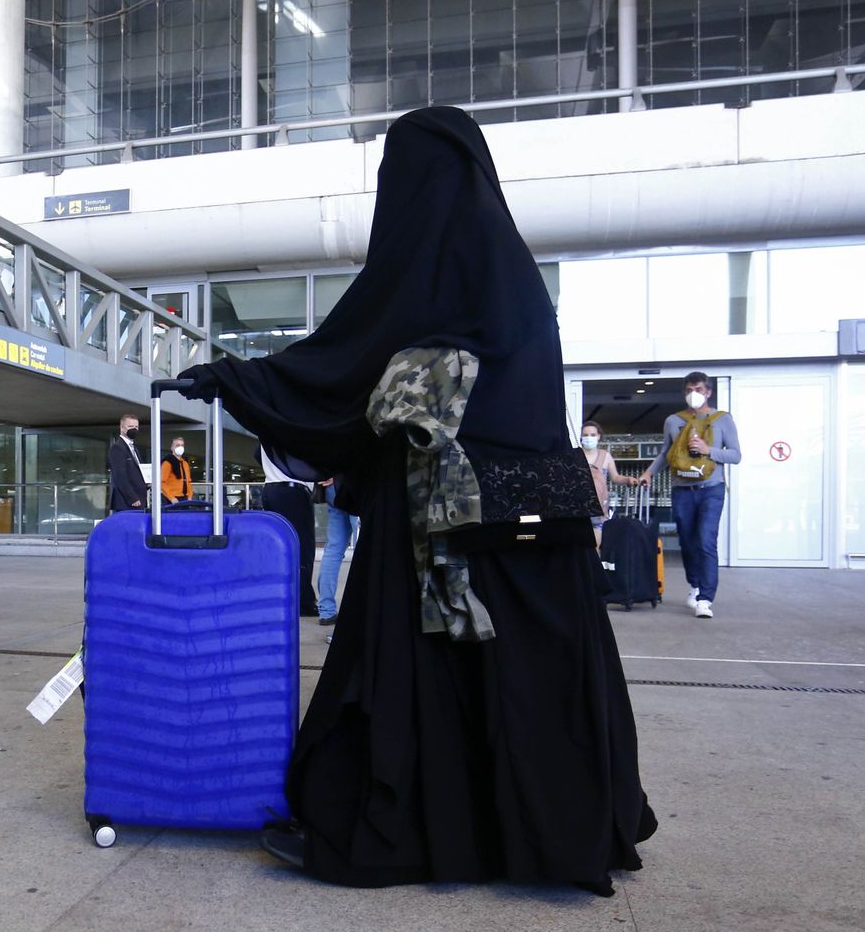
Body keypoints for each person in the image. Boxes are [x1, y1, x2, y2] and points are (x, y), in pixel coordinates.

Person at [171, 107, 655, 894]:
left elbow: (344, 366)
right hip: (536, 529)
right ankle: (549, 834)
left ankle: (407, 833)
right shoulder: (515, 275)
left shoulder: (421, 270)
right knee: (526, 683)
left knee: (416, 672)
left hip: (439, 522)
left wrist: (236, 378)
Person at [639, 373, 741, 619]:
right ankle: (694, 584)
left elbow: (736, 455)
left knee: (706, 539)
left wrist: (709, 451)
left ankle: (705, 598)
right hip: (682, 489)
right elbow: (666, 454)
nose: (692, 393)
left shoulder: (723, 420)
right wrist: (649, 472)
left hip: (711, 489)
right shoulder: (673, 421)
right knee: (687, 540)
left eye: (697, 388)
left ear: (708, 392)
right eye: (688, 389)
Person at [260, 444, 318, 619]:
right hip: (293, 490)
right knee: (302, 547)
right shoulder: (293, 427)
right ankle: (303, 601)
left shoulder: (267, 428)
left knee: (278, 549)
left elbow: (257, 453)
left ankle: (279, 596)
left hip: (270, 487)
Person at [581, 421, 641, 548]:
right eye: (585, 435)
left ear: (598, 436)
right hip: (579, 506)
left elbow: (615, 477)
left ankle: (596, 566)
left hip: (599, 506)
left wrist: (627, 479)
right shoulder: (576, 455)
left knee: (596, 543)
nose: (588, 438)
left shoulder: (605, 456)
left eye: (592, 434)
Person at [314, 475, 358, 628]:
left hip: (332, 489)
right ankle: (361, 611)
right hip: (354, 486)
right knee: (364, 551)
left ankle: (326, 611)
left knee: (333, 550)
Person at [106, 414, 147, 513]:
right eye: (130, 426)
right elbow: (120, 476)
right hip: (127, 502)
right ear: (122, 428)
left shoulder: (134, 448)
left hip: (139, 500)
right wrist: (132, 498)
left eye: (136, 427)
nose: (134, 429)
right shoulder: (117, 448)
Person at [160, 436, 193, 504]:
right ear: (172, 448)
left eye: (182, 445)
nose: (180, 447)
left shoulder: (185, 463)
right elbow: (162, 482)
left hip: (185, 498)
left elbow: (188, 482)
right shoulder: (167, 463)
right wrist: (171, 498)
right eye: (177, 445)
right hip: (171, 499)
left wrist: (190, 496)